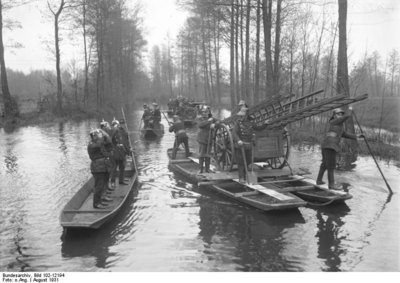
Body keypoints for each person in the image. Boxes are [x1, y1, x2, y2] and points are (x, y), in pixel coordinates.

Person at [316, 108, 364, 190]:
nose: (340, 116)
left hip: (327, 146)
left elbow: (346, 134)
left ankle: (319, 180)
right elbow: (343, 118)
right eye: (338, 114)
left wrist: (357, 137)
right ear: (334, 116)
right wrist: (349, 111)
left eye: (341, 114)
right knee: (331, 166)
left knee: (324, 164)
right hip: (330, 146)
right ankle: (331, 185)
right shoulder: (333, 122)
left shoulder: (339, 126)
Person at [232, 107, 267, 183]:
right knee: (240, 162)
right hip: (240, 145)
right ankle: (241, 177)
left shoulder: (251, 122)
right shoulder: (238, 123)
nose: (241, 117)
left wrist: (265, 124)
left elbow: (258, 128)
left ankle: (246, 174)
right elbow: (234, 133)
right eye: (240, 115)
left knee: (248, 161)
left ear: (247, 115)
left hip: (249, 145)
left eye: (243, 115)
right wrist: (238, 140)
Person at [87, 129, 111, 209]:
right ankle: (96, 204)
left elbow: (108, 142)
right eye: (97, 135)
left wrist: (103, 133)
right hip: (97, 168)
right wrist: (102, 135)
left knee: (104, 183)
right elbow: (100, 143)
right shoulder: (92, 145)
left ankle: (102, 198)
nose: (99, 136)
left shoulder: (97, 142)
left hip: (102, 166)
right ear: (94, 136)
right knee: (99, 186)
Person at [197, 108, 218, 173]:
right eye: (203, 112)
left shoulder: (212, 119)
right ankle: (200, 169)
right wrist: (209, 122)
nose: (204, 113)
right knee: (201, 155)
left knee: (208, 155)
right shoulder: (199, 119)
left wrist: (215, 124)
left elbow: (219, 122)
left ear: (208, 113)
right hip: (202, 139)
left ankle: (207, 169)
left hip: (209, 139)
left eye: (206, 112)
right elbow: (200, 125)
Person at [110, 118, 130, 187]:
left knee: (122, 167)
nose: (122, 125)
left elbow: (126, 143)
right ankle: (112, 182)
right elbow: (112, 140)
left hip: (122, 152)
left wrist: (128, 151)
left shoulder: (124, 132)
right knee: (114, 168)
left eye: (123, 123)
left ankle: (121, 180)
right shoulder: (115, 131)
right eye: (121, 124)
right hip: (116, 153)